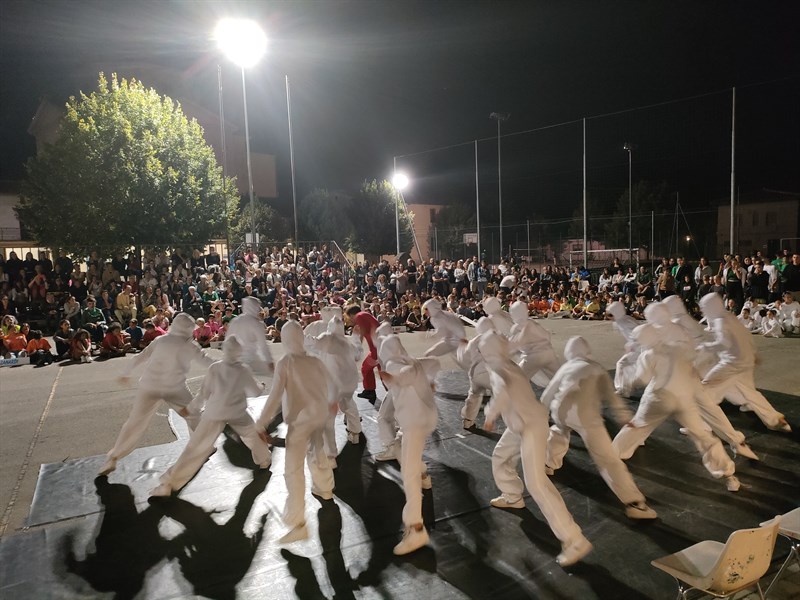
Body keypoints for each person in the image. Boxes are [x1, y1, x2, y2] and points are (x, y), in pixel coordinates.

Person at [479, 331, 592, 568]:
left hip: (530, 426)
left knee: (537, 484)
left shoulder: (500, 368)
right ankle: (512, 496)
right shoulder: (506, 363)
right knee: (501, 455)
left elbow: (501, 394)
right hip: (522, 422)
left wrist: (490, 416)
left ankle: (574, 539)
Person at [611, 322, 742, 492]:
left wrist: (627, 382)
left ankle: (613, 456)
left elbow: (641, 379)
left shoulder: (648, 354)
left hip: (659, 398)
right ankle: (728, 474)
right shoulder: (676, 348)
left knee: (638, 426)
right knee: (702, 436)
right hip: (683, 398)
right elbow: (692, 362)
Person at [542, 336, 657, 520]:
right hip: (586, 417)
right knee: (607, 459)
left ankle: (549, 463)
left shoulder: (566, 367)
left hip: (561, 412)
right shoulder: (596, 368)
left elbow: (548, 392)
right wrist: (624, 416)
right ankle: (634, 503)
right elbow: (611, 396)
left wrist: (540, 413)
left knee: (559, 431)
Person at [149, 336, 271, 497]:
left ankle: (169, 483)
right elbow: (255, 392)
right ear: (239, 352)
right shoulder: (243, 369)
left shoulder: (215, 368)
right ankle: (264, 460)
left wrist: (192, 408)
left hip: (214, 412)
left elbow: (204, 393)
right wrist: (261, 386)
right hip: (237, 412)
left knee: (196, 447)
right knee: (252, 435)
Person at [98, 313, 214, 476]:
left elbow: (140, 357)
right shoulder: (190, 345)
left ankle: (114, 456)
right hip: (174, 387)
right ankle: (203, 445)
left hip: (149, 386)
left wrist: (126, 372)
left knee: (134, 423)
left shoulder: (161, 340)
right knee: (194, 414)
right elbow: (208, 362)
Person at [255, 321, 334, 543]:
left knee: (293, 468)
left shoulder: (286, 362)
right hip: (319, 414)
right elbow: (328, 385)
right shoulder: (315, 361)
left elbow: (275, 396)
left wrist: (261, 423)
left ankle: (298, 521)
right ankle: (325, 487)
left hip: (300, 420)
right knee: (318, 451)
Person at [378, 334, 439, 555]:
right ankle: (424, 475)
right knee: (410, 462)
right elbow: (433, 362)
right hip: (425, 419)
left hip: (414, 423)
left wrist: (395, 379)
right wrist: (429, 380)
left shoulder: (395, 364)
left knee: (408, 472)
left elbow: (406, 375)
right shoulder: (411, 359)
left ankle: (416, 528)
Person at [697, 293, 791, 432]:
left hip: (731, 363)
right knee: (749, 393)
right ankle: (775, 419)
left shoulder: (720, 321)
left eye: (704, 308)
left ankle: (703, 426)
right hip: (745, 361)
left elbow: (724, 343)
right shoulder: (730, 317)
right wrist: (753, 354)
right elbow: (746, 335)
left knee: (706, 389)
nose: (704, 311)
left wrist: (704, 347)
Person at [305, 313, 362, 460]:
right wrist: (356, 337)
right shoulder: (347, 342)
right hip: (349, 383)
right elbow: (357, 354)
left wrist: (299, 332)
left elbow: (311, 343)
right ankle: (355, 432)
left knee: (328, 418)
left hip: (333, 385)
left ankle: (331, 453)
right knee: (349, 405)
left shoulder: (328, 338)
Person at [508, 300, 561, 385]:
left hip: (532, 356)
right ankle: (573, 391)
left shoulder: (517, 327)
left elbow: (514, 344)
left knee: (518, 379)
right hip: (548, 352)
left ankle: (513, 396)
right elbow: (547, 335)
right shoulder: (532, 323)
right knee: (560, 376)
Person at [226, 296, 273, 376]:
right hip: (252, 360)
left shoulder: (235, 321)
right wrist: (270, 361)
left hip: (235, 360)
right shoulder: (256, 323)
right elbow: (263, 345)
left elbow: (227, 340)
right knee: (272, 375)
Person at [345, 304, 380, 404]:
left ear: (352, 315)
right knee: (367, 368)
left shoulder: (360, 316)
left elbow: (361, 333)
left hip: (377, 351)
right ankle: (370, 390)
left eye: (349, 318)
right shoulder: (365, 316)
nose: (351, 320)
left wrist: (356, 348)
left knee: (367, 368)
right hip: (378, 349)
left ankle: (371, 391)